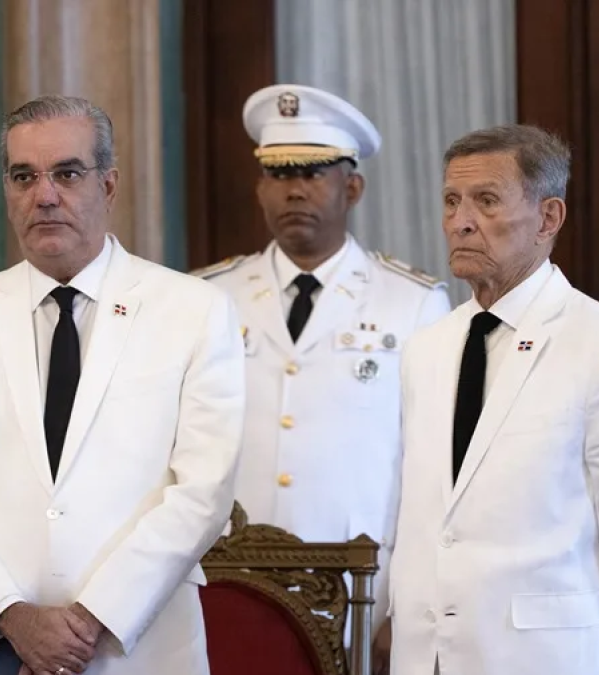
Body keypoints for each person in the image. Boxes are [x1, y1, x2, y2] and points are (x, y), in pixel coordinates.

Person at [0, 95, 246, 675]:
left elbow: (203, 493)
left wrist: (84, 625)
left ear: (108, 186)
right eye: (24, 176)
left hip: (137, 648)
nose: (45, 194)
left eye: (66, 172)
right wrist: (14, 617)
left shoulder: (195, 311)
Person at [389, 124, 599, 675]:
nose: (461, 221)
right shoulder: (425, 349)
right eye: (452, 201)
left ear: (548, 218)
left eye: (486, 201)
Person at [190, 84, 452, 672]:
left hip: (360, 592)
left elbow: (431, 471)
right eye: (279, 174)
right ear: (260, 187)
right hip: (229, 586)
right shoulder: (208, 298)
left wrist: (409, 606)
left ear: (352, 187)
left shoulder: (412, 303)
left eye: (314, 172)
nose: (295, 189)